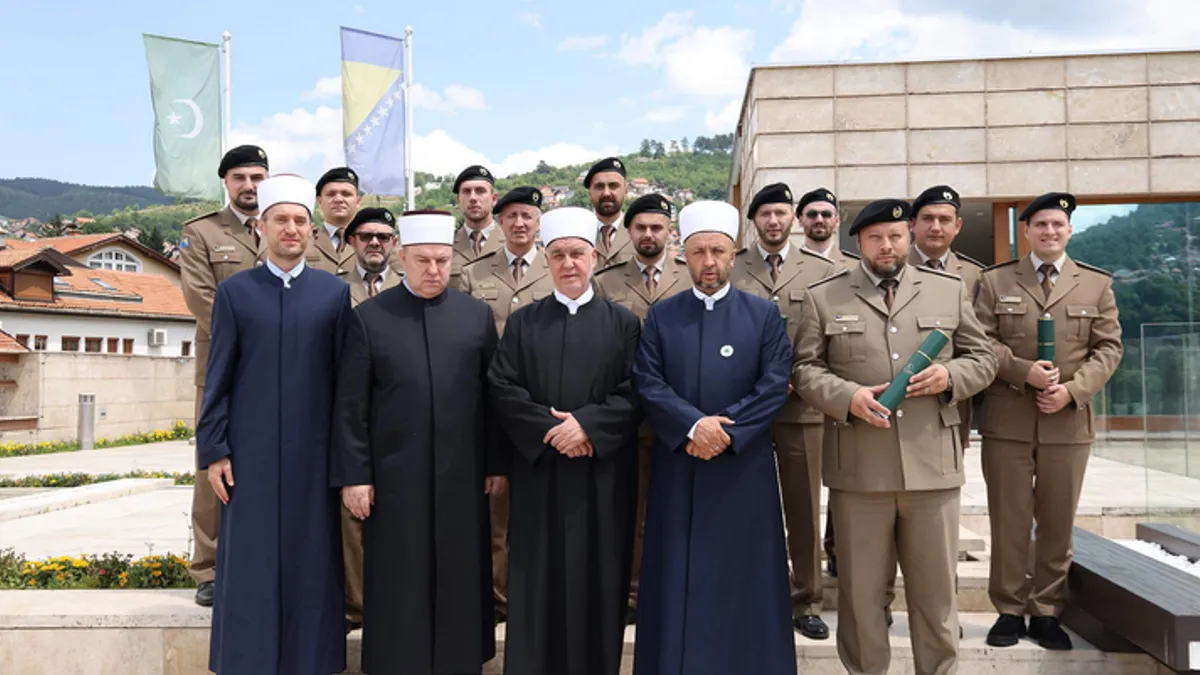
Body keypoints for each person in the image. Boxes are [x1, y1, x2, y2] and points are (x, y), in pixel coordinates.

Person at [793, 198, 997, 675]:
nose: (886, 245)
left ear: (908, 237)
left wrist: (951, 377)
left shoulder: (947, 290)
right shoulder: (826, 295)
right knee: (861, 594)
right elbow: (804, 369)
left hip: (932, 466)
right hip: (860, 469)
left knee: (935, 594)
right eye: (874, 238)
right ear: (858, 242)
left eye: (895, 236)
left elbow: (983, 357)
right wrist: (847, 396)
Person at [333, 209, 507, 675]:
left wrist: (495, 464)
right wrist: (354, 476)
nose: (434, 271)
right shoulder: (369, 318)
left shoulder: (475, 316)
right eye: (424, 261)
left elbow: (493, 397)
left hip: (462, 475)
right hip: (394, 480)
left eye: (443, 261)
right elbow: (351, 406)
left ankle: (460, 660)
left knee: (460, 574)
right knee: (398, 577)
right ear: (402, 258)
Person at [632, 200, 796, 675]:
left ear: (733, 253)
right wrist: (692, 426)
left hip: (742, 469)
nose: (708, 261)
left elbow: (774, 384)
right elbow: (648, 381)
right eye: (699, 251)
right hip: (679, 464)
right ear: (684, 254)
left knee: (746, 577)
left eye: (718, 251)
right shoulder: (662, 317)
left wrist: (726, 430)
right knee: (676, 573)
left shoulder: (763, 315)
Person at [197, 174, 351, 675]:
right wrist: (214, 449)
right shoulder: (237, 293)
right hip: (250, 455)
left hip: (315, 453)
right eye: (280, 219)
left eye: (300, 220)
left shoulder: (333, 294)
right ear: (261, 227)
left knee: (314, 565)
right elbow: (217, 374)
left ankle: (314, 662)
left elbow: (345, 381)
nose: (291, 229)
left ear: (312, 228)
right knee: (250, 567)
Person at [488, 206, 641, 675]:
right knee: (538, 579)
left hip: (603, 477)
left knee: (598, 578)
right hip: (541, 475)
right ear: (545, 260)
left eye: (576, 253)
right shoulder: (524, 322)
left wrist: (589, 428)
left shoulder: (624, 324)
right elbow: (502, 386)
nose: (568, 263)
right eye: (557, 255)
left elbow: (638, 389)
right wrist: (553, 432)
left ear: (593, 256)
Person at [975, 192, 1122, 651]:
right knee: (1009, 519)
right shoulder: (996, 282)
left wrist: (1072, 391)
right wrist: (1024, 371)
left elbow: (1109, 349)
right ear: (1027, 231)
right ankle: (1008, 609)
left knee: (1057, 523)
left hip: (1068, 423)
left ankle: (1045, 611)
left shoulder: (1095, 285)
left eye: (1058, 225)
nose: (1050, 232)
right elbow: (980, 341)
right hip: (1009, 421)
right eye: (1041, 225)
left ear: (1070, 230)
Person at [730, 183, 838, 640]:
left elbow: (829, 335)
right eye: (765, 214)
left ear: (793, 218)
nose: (773, 222)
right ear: (753, 221)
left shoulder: (820, 270)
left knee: (802, 506)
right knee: (740, 505)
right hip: (745, 409)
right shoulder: (732, 267)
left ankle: (806, 598)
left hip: (802, 408)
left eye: (780, 213)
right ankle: (743, 595)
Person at [593, 194, 691, 623]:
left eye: (658, 227)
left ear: (671, 232)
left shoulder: (690, 277)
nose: (649, 235)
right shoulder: (605, 281)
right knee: (629, 512)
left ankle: (675, 587)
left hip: (682, 415)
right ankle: (632, 593)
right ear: (629, 232)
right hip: (628, 417)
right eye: (641, 228)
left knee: (678, 509)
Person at [179, 143, 268, 607]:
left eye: (257, 177)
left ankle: (260, 557)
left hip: (280, 370)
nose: (250, 186)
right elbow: (200, 299)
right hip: (220, 369)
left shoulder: (286, 227)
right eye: (241, 178)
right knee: (212, 464)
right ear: (227, 183)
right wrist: (263, 337)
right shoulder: (201, 233)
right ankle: (208, 568)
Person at [459, 185, 554, 623]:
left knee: (539, 511)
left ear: (539, 223)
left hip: (542, 410)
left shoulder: (557, 268)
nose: (519, 223)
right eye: (511, 216)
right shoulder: (475, 274)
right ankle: (499, 599)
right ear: (500, 222)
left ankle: (535, 594)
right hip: (488, 408)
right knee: (495, 511)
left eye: (528, 216)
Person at [332, 206, 402, 635]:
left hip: (398, 415)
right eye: (365, 236)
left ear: (394, 243)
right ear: (350, 241)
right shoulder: (332, 289)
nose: (375, 242)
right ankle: (357, 606)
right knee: (352, 517)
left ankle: (394, 599)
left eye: (383, 236)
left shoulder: (410, 285)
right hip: (349, 409)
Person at [910, 184, 985, 449]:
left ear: (958, 225)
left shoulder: (976, 276)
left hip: (951, 397)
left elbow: (980, 344)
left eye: (945, 220)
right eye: (928, 218)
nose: (936, 227)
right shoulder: (893, 268)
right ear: (912, 224)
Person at [451, 165, 504, 285]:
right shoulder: (446, 246)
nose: (473, 198)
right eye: (466, 191)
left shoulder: (511, 244)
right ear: (458, 200)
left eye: (480, 191)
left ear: (494, 199)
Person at [307, 166, 361, 276]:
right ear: (319, 201)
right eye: (331, 194)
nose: (339, 199)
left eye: (346, 194)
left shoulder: (374, 243)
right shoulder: (304, 242)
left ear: (358, 201)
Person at [586, 157, 632, 266]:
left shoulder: (638, 233)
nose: (606, 193)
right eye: (599, 186)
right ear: (590, 193)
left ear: (626, 190)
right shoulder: (581, 234)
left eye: (613, 186)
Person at [796, 187, 858, 266]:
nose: (819, 220)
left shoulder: (854, 267)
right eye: (812, 214)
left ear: (837, 221)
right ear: (800, 220)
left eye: (826, 215)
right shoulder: (786, 266)